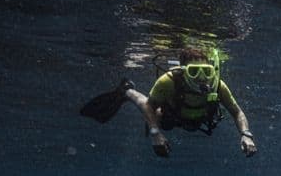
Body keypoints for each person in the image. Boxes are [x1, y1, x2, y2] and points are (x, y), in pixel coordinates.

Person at [80, 46, 257, 158]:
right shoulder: (169, 81)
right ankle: (128, 91)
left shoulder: (218, 85)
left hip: (198, 119)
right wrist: (155, 133)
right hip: (170, 115)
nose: (202, 78)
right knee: (154, 113)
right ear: (183, 70)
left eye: (206, 71)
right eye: (195, 71)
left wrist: (246, 135)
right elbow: (150, 106)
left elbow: (237, 111)